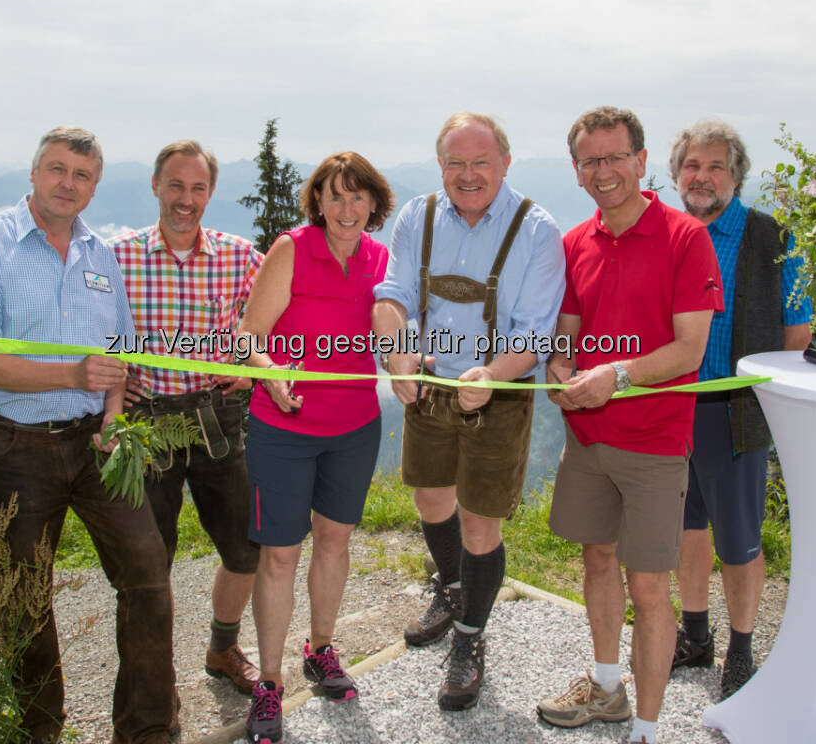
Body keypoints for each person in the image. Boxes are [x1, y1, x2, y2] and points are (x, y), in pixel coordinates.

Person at [0, 126, 176, 744]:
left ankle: (149, 730)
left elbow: (118, 351)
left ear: (95, 186)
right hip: (12, 446)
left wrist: (112, 413)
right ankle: (40, 730)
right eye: (56, 169)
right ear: (33, 173)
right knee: (24, 597)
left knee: (149, 576)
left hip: (94, 443)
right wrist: (72, 372)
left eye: (80, 176)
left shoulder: (101, 254)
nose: (66, 184)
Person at [536, 107, 722, 744]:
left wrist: (612, 376)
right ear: (577, 172)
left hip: (654, 443)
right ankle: (607, 688)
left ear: (642, 163)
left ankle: (646, 727)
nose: (605, 171)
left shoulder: (683, 238)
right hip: (588, 440)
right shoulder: (574, 243)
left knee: (648, 586)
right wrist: (559, 368)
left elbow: (689, 350)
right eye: (591, 161)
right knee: (596, 560)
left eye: (616, 157)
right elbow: (566, 332)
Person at [373, 112, 565, 711]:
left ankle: (470, 638)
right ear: (440, 167)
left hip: (500, 393)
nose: (468, 174)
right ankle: (453, 588)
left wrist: (493, 374)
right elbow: (393, 297)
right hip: (429, 383)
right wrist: (397, 354)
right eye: (455, 162)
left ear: (505, 163)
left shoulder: (537, 229)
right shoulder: (418, 216)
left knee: (481, 522)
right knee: (431, 498)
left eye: (481, 161)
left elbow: (536, 333)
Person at [226, 152, 394, 744]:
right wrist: (270, 372)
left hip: (354, 429)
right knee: (279, 555)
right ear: (317, 202)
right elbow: (249, 335)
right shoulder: (292, 250)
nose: (346, 209)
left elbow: (394, 336)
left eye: (358, 197)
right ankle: (268, 682)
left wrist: (413, 367)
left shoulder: (382, 260)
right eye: (335, 196)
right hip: (283, 430)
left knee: (335, 541)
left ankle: (321, 647)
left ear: (374, 204)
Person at [109, 140, 263, 695]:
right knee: (150, 564)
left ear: (210, 193)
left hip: (215, 416)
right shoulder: (116, 256)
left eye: (198, 188)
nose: (186, 199)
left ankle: (222, 649)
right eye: (176, 185)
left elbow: (276, 325)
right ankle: (156, 682)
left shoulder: (240, 255)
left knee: (247, 548)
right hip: (147, 422)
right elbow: (89, 334)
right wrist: (111, 383)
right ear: (155, 186)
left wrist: (252, 370)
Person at [667, 120, 812, 698]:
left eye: (715, 167)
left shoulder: (773, 238)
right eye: (692, 167)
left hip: (734, 410)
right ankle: (696, 635)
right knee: (686, 529)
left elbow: (797, 332)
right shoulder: (667, 231)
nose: (702, 178)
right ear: (677, 174)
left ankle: (742, 649)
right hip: (671, 405)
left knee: (739, 539)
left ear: (736, 176)